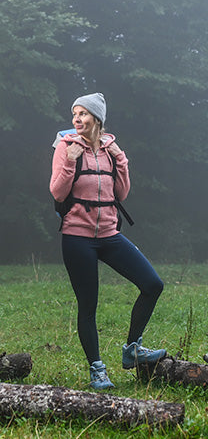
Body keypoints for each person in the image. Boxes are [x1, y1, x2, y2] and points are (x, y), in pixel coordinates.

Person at [49, 92, 166, 390]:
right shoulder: (65, 147)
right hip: (77, 237)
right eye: (74, 114)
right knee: (88, 305)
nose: (76, 119)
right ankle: (97, 369)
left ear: (97, 119)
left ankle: (132, 350)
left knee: (152, 284)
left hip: (110, 235)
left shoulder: (110, 150)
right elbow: (57, 193)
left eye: (82, 114)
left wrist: (121, 160)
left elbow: (121, 194)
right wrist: (70, 163)